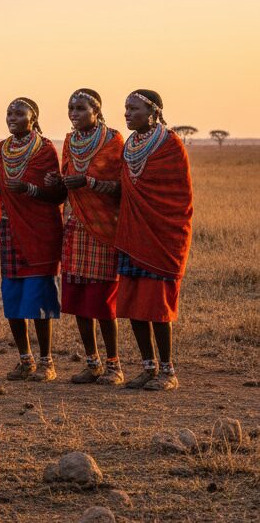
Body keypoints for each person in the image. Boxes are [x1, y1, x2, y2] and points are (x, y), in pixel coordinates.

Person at [0, 98, 66, 383]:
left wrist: (29, 189)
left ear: (33, 117)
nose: (11, 117)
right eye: (8, 113)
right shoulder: (2, 149)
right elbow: (4, 195)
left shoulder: (45, 149)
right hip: (10, 229)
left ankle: (46, 362)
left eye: (18, 113)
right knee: (12, 297)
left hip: (39, 232)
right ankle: (25, 360)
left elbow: (57, 196)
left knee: (38, 296)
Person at [115, 90, 193, 391]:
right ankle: (147, 367)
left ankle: (168, 370)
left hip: (161, 235)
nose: (126, 113)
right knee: (134, 302)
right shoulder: (130, 145)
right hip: (133, 233)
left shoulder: (170, 145)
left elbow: (178, 195)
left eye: (133, 108)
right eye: (125, 108)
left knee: (157, 305)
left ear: (153, 112)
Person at [47, 89, 125, 385]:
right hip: (74, 226)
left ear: (97, 110)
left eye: (80, 108)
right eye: (71, 108)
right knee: (79, 299)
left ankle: (114, 364)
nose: (74, 113)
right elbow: (65, 184)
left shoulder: (112, 140)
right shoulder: (69, 141)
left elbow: (120, 187)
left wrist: (89, 181)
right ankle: (92, 363)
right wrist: (57, 181)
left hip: (104, 228)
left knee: (103, 300)